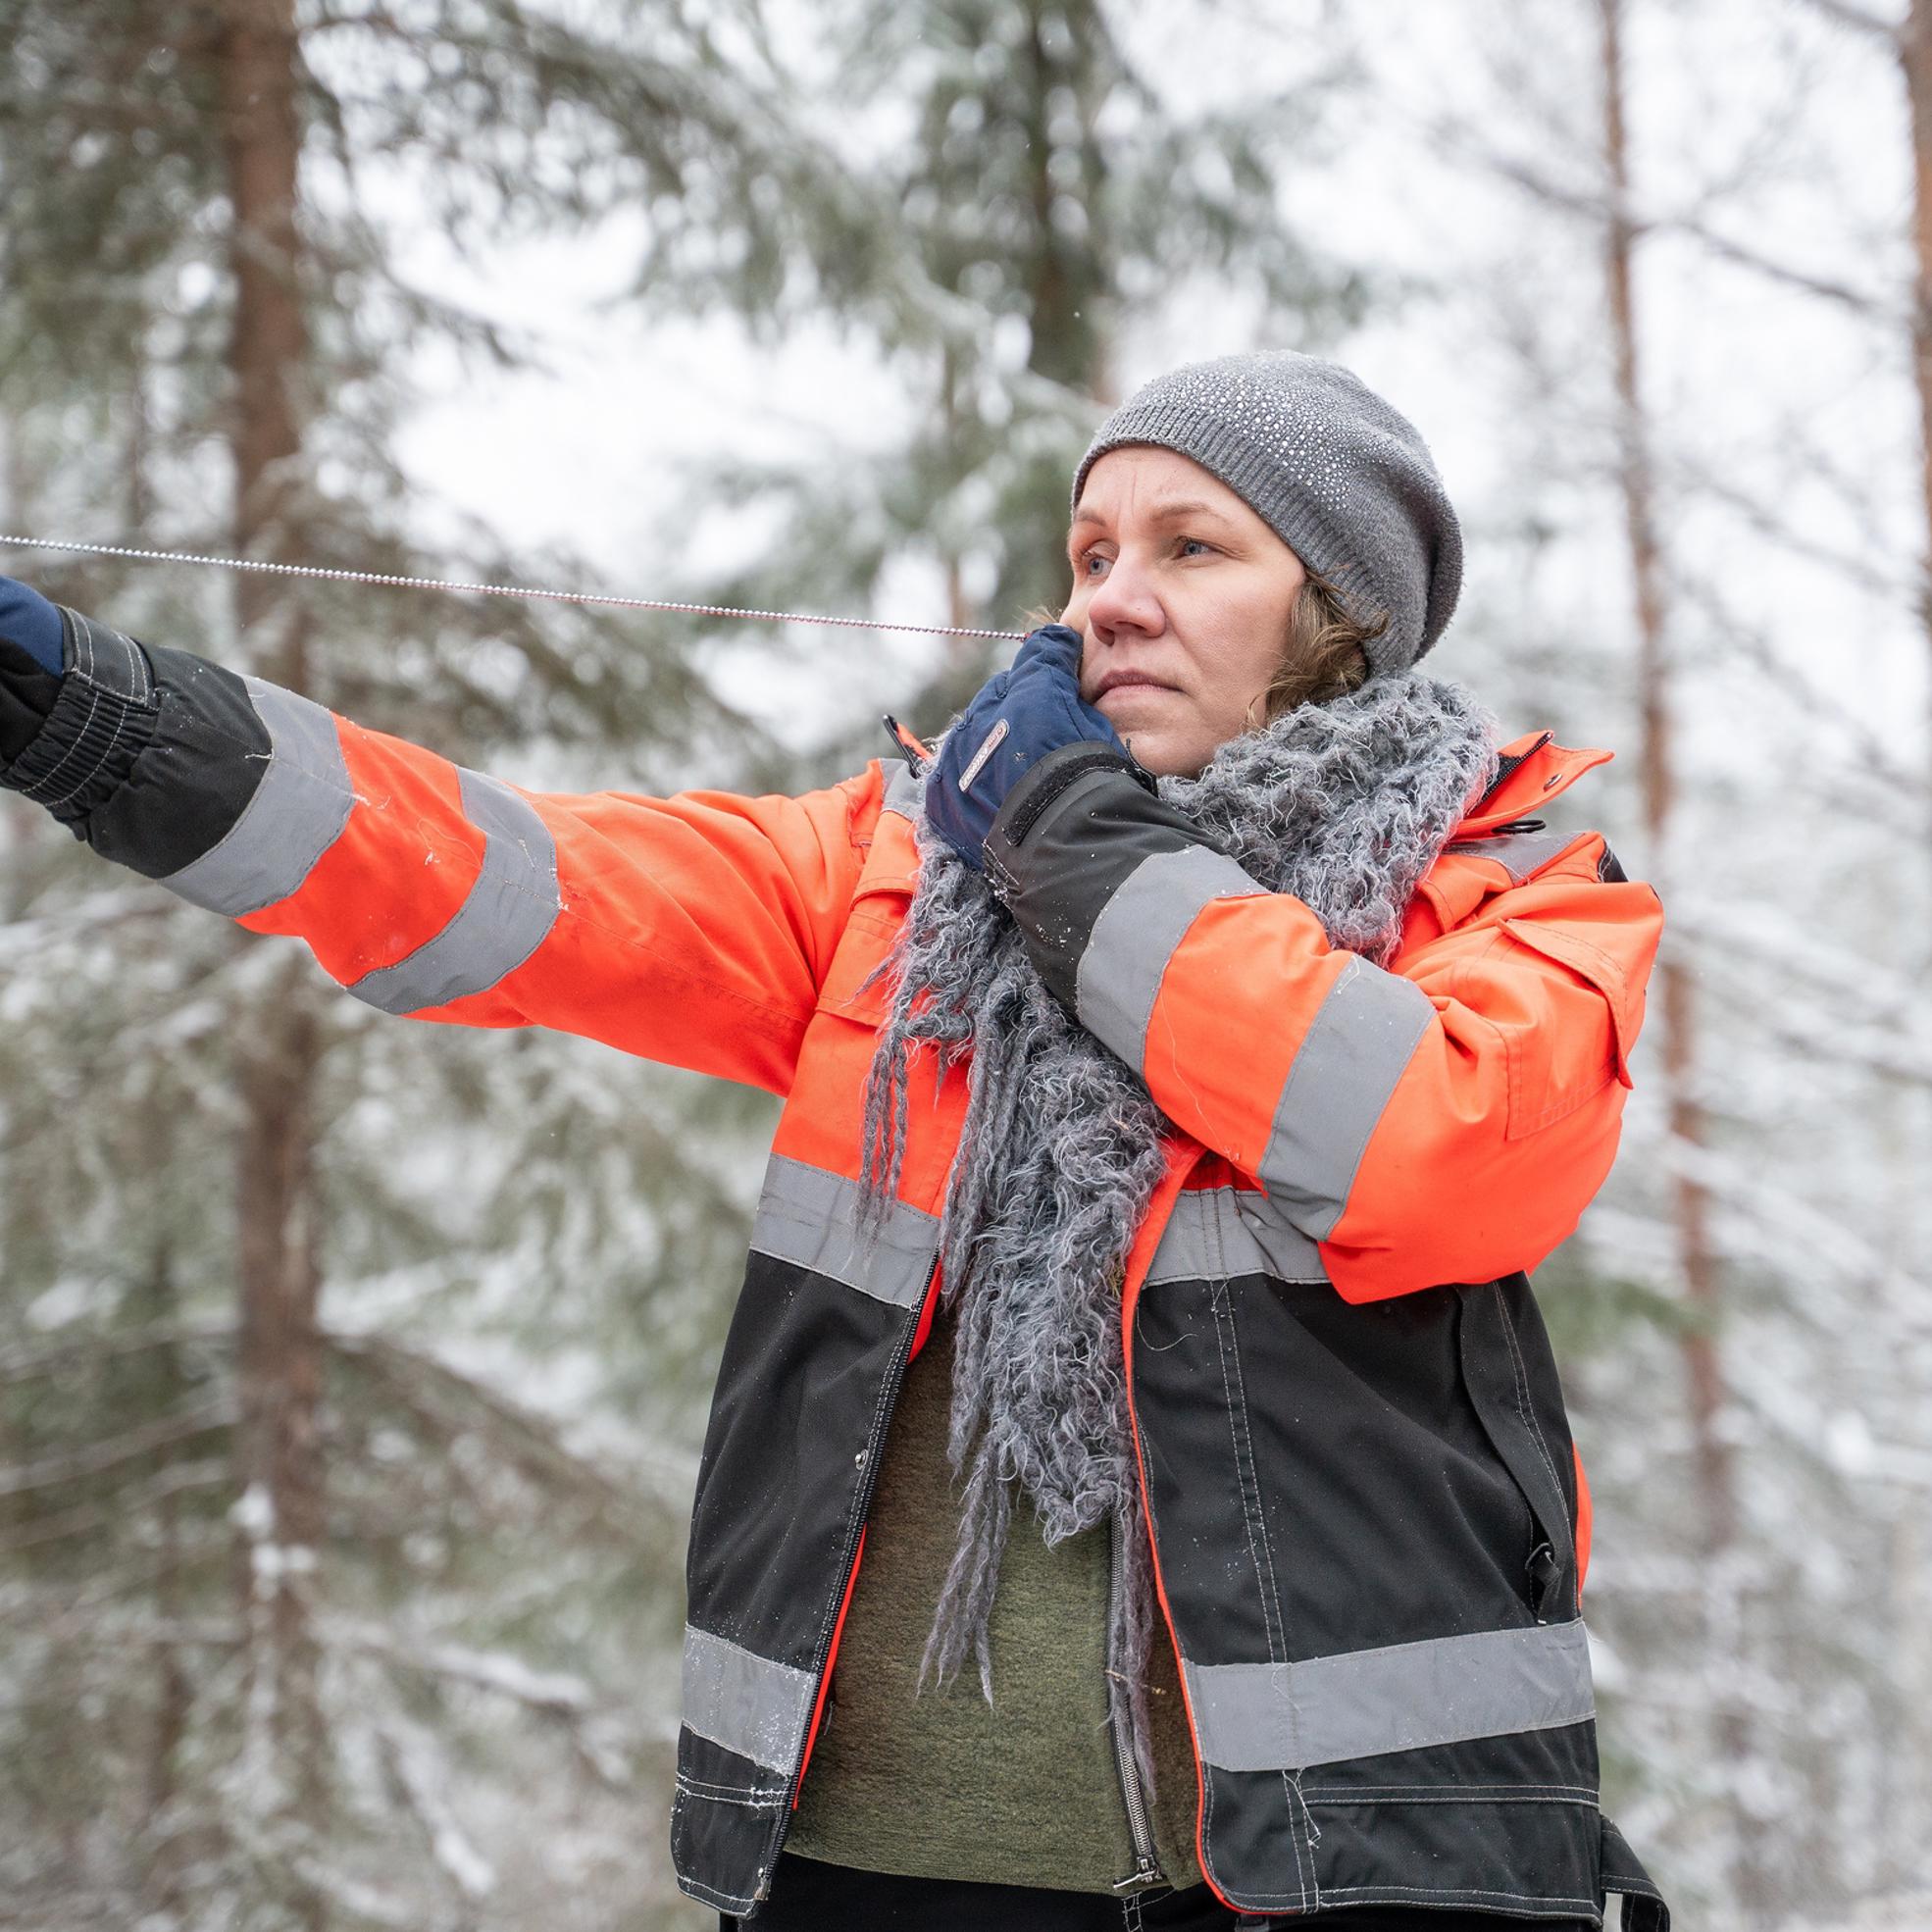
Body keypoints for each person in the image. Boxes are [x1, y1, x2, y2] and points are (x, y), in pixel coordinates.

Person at [0, 351, 1672, 1931]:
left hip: (1351, 1870)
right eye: (1089, 549)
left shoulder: (1514, 898)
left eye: (1189, 545)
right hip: (868, 1866)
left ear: (1337, 608)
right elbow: (483, 874)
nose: (1110, 595)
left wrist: (1061, 837)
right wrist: (86, 713)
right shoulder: (891, 886)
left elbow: (1419, 1143)